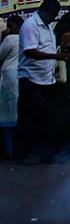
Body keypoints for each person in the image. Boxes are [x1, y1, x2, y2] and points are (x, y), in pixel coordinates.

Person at [17, 0, 70, 162]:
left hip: (46, 79)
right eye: (51, 15)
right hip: (30, 79)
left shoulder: (47, 26)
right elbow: (30, 52)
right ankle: (23, 154)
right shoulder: (31, 25)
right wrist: (56, 56)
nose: (52, 18)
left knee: (48, 118)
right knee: (29, 118)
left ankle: (45, 153)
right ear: (43, 11)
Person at [0, 17, 23, 158]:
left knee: (7, 116)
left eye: (10, 26)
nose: (8, 29)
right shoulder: (27, 38)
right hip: (21, 76)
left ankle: (9, 151)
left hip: (9, 79)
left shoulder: (11, 39)